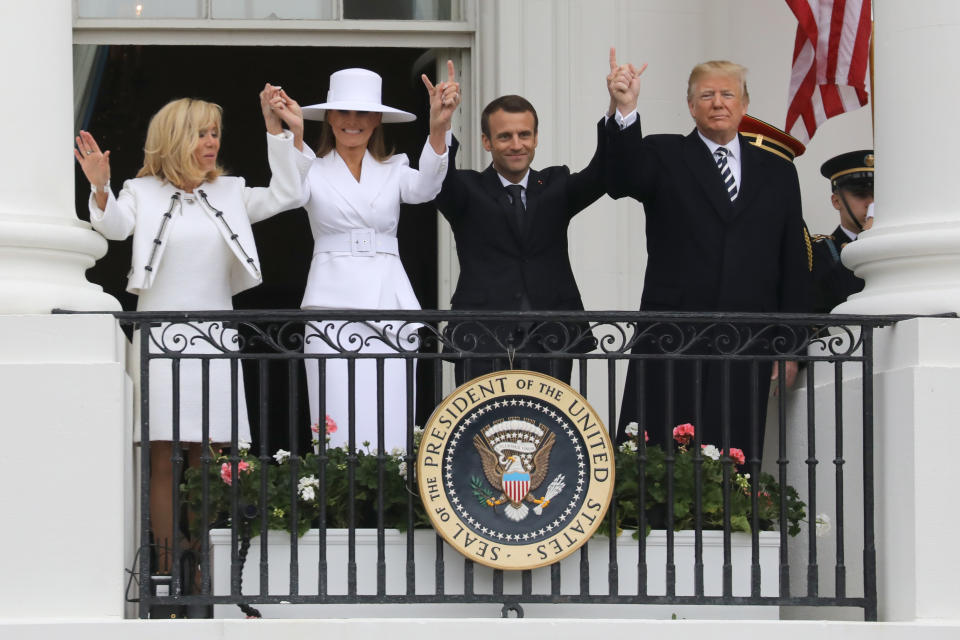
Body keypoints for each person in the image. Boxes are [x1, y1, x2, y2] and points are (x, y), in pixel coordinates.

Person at [74, 88, 310, 574]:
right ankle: (163, 567)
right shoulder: (141, 191)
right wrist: (100, 187)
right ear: (175, 138)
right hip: (161, 338)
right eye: (201, 133)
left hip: (215, 338)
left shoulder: (231, 190)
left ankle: (206, 567)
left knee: (211, 455)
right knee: (162, 456)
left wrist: (276, 131)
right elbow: (114, 227)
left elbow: (289, 194)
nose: (211, 142)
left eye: (215, 133)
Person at [605, 52, 811, 463]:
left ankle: (731, 524)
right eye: (707, 95)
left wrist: (791, 344)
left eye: (727, 94)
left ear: (745, 104)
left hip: (747, 336)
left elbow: (792, 261)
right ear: (690, 105)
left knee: (736, 453)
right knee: (658, 448)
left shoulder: (776, 170)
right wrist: (625, 108)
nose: (718, 103)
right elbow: (620, 178)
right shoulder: (663, 154)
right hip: (674, 332)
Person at [295, 63, 460, 453]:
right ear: (330, 118)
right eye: (344, 113)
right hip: (330, 303)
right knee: (334, 416)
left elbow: (427, 188)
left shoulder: (395, 168)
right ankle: (335, 503)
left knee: (391, 416)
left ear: (377, 121)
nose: (353, 122)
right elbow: (288, 192)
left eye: (363, 113)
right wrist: (286, 136)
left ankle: (391, 505)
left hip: (389, 300)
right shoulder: (310, 169)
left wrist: (439, 128)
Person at [435, 82, 607, 385]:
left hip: (552, 339)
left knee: (550, 431)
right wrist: (442, 124)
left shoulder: (556, 184)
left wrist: (618, 110)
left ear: (536, 138)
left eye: (524, 134)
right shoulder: (466, 188)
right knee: (483, 431)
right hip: (482, 339)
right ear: (487, 142)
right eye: (504, 136)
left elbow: (604, 172)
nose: (516, 144)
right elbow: (437, 177)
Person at [811, 150, 874, 312]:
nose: (871, 204)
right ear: (837, 201)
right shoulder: (819, 252)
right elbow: (832, 298)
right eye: (861, 195)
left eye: (877, 194)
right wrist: (862, 244)